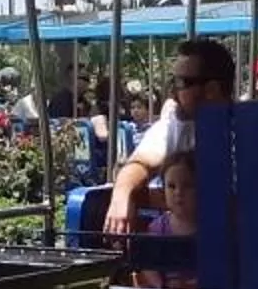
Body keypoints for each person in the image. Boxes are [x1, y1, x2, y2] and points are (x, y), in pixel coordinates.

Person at [101, 37, 237, 241]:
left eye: (182, 82)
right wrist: (122, 195)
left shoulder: (249, 133)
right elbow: (140, 163)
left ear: (212, 89)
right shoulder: (176, 125)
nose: (173, 90)